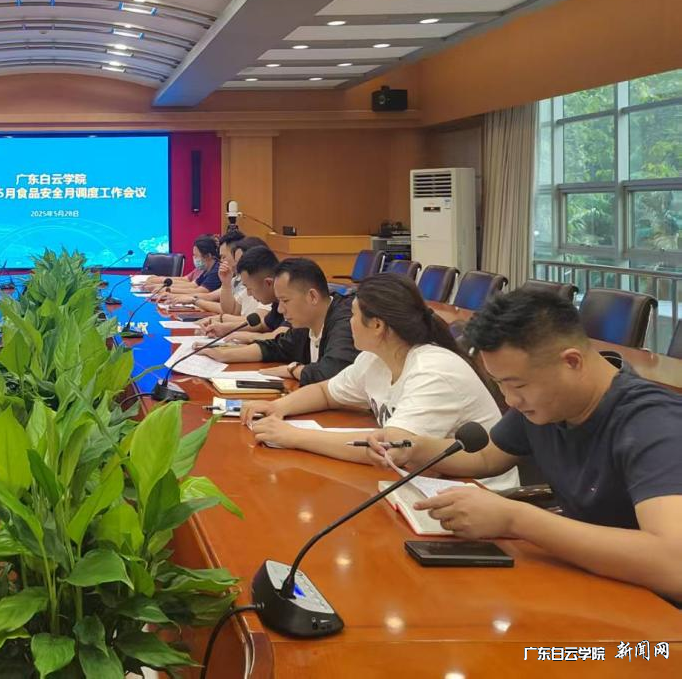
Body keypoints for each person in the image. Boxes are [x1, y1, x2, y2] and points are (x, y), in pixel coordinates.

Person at [366, 289, 682, 602]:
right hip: (590, 582)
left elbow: (674, 564)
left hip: (655, 609)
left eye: (517, 385)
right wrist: (416, 447)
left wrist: (516, 519)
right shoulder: (548, 403)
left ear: (572, 362)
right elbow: (487, 457)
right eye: (500, 384)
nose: (510, 400)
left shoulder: (652, 423)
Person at [245, 274, 518, 489]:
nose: (347, 322)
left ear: (377, 326)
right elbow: (326, 392)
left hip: (477, 494)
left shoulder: (433, 371)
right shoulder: (375, 358)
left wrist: (293, 436)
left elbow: (389, 448)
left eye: (353, 315)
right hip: (425, 483)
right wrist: (278, 408)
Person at [203, 257, 357, 385]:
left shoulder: (347, 321)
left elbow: (332, 373)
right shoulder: (307, 322)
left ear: (312, 297)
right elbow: (277, 347)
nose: (280, 310)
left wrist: (292, 370)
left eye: (285, 301)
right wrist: (224, 355)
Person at [200, 244, 286, 342]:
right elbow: (264, 324)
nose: (248, 294)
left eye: (250, 289)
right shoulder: (276, 303)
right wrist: (225, 329)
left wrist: (249, 337)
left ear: (268, 283)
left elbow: (279, 338)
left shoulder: (288, 302)